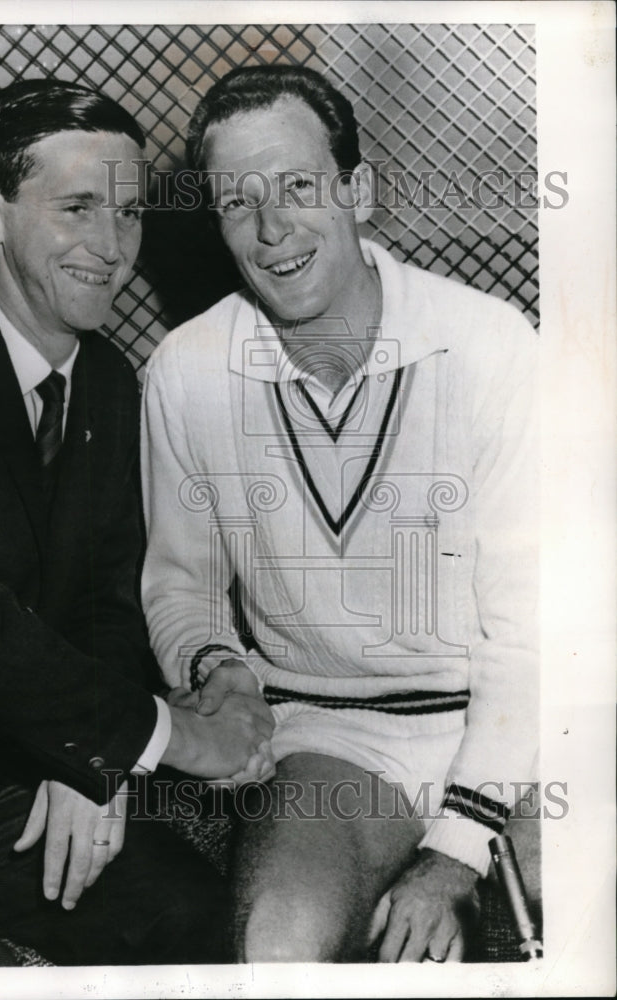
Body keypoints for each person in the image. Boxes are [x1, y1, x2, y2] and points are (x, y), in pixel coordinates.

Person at [0, 78, 274, 968]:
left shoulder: (114, 385)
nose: (111, 247)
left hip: (5, 780)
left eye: (128, 214)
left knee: (198, 934)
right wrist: (154, 737)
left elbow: (106, 608)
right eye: (77, 207)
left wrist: (85, 760)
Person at [141, 65, 539, 963]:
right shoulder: (186, 368)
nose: (272, 228)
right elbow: (180, 581)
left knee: (571, 910)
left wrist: (457, 851)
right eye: (238, 201)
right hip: (339, 736)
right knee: (277, 942)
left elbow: (533, 635)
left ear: (359, 191)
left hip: (524, 708)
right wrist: (217, 669)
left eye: (297, 187)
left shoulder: (490, 343)